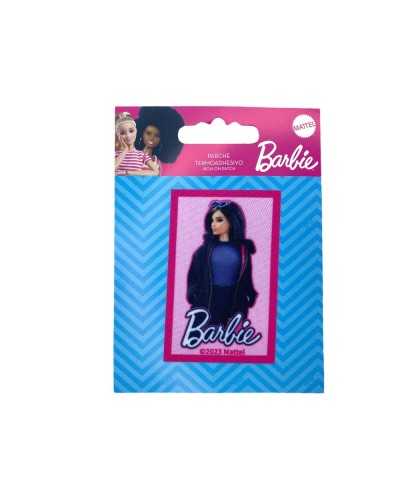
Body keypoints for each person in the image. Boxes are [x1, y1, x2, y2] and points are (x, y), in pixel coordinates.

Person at [187, 200, 258, 326]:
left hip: (234, 300)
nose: (213, 224)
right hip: (208, 300)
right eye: (212, 220)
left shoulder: (243, 251)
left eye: (219, 220)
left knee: (231, 332)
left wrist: (249, 294)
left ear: (232, 221)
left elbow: (247, 277)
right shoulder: (204, 251)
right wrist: (194, 294)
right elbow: (194, 275)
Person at [134, 107, 185, 173]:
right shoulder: (134, 154)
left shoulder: (155, 161)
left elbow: (156, 173)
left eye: (157, 136)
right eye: (148, 133)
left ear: (162, 140)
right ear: (141, 133)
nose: (151, 138)